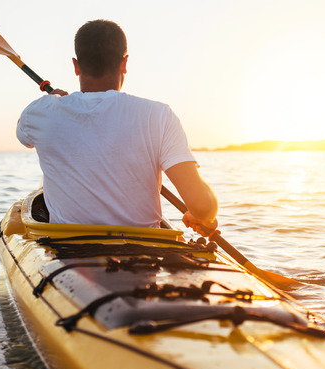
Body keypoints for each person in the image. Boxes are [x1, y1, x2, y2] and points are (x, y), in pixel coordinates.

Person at [16, 19, 217, 236]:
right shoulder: (160, 116)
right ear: (125, 63)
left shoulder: (41, 112)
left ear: (76, 66)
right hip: (145, 253)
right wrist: (201, 215)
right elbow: (203, 207)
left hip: (66, 250)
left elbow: (22, 132)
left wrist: (52, 100)